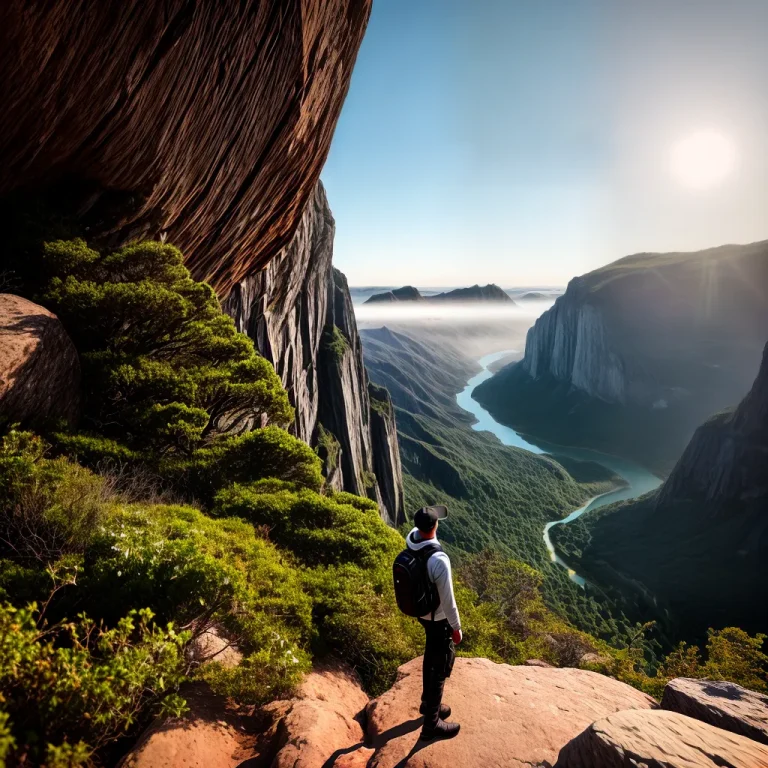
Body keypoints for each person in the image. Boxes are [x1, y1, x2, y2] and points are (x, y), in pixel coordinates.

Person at [406, 506, 462, 742]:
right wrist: (456, 627)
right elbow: (448, 601)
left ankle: (428, 704)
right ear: (435, 526)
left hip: (422, 614)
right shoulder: (439, 560)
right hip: (438, 618)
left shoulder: (411, 541)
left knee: (430, 654)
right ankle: (431, 725)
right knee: (439, 667)